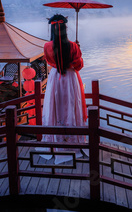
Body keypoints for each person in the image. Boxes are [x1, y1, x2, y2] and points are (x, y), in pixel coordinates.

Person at [40, 14, 87, 164]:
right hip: (70, 78)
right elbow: (78, 65)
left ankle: (54, 141)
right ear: (65, 28)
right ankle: (72, 141)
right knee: (71, 105)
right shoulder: (73, 46)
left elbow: (49, 62)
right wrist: (78, 52)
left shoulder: (47, 46)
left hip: (55, 78)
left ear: (53, 29)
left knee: (55, 105)